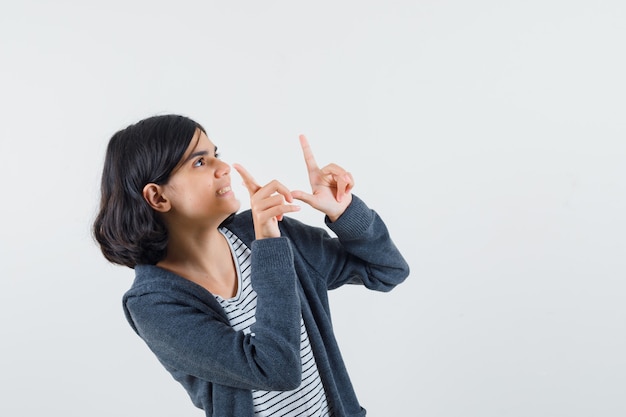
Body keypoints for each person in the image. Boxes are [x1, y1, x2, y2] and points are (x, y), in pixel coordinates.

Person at [92, 114, 410, 417]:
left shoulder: (269, 234)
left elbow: (387, 270)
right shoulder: (153, 304)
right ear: (158, 198)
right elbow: (276, 368)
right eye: (200, 162)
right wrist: (269, 245)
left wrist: (345, 213)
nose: (224, 167)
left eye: (216, 154)